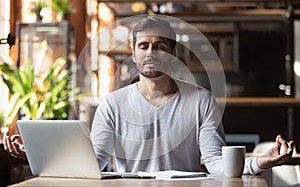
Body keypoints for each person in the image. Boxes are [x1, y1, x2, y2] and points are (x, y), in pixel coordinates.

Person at [3, 15, 294, 175]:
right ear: (134, 53)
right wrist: (38, 155)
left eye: (159, 46)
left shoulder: (201, 101)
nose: (151, 52)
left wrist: (259, 163)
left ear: (172, 54)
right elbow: (94, 163)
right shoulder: (113, 104)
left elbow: (216, 163)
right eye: (143, 46)